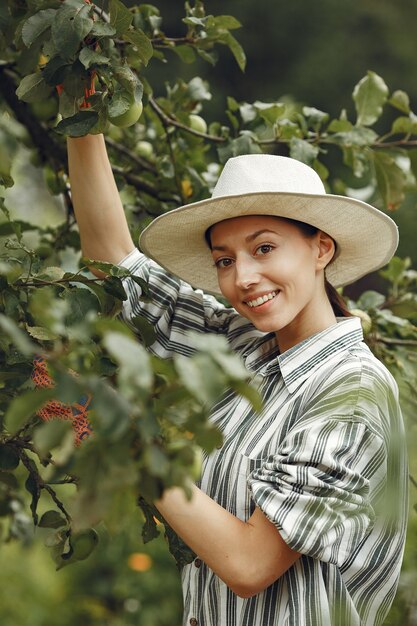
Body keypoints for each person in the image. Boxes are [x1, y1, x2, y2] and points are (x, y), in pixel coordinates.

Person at [67, 135, 408, 626]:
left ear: (321, 248)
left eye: (264, 248)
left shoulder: (350, 391)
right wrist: (84, 123)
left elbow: (250, 564)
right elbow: (117, 268)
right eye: (225, 260)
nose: (243, 277)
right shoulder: (245, 348)